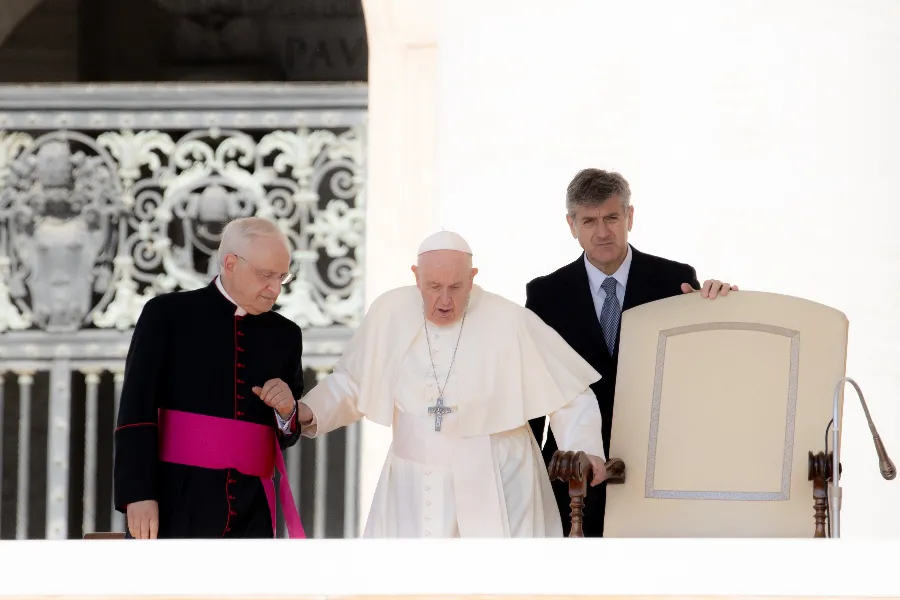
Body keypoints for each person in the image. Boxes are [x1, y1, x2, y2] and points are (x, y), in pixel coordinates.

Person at [295, 231, 607, 537]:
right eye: (434, 287)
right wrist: (310, 410)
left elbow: (570, 393)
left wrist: (586, 448)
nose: (445, 300)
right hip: (412, 481)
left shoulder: (507, 319)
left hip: (497, 475)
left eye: (456, 287)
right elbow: (353, 381)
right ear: (416, 276)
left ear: (472, 278)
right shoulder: (389, 313)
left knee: (496, 584)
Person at [526, 168, 737, 537]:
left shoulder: (674, 280)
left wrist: (720, 307)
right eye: (589, 221)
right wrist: (525, 473)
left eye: (611, 217)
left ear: (630, 217)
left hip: (656, 466)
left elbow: (701, 369)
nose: (602, 231)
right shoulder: (545, 294)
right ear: (571, 224)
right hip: (574, 473)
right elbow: (532, 389)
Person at [113, 217, 306, 539]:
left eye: (282, 277)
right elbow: (136, 409)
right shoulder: (167, 315)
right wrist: (138, 494)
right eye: (266, 275)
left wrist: (287, 412)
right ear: (230, 263)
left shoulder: (286, 334)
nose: (275, 288)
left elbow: (283, 435)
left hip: (252, 510)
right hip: (177, 498)